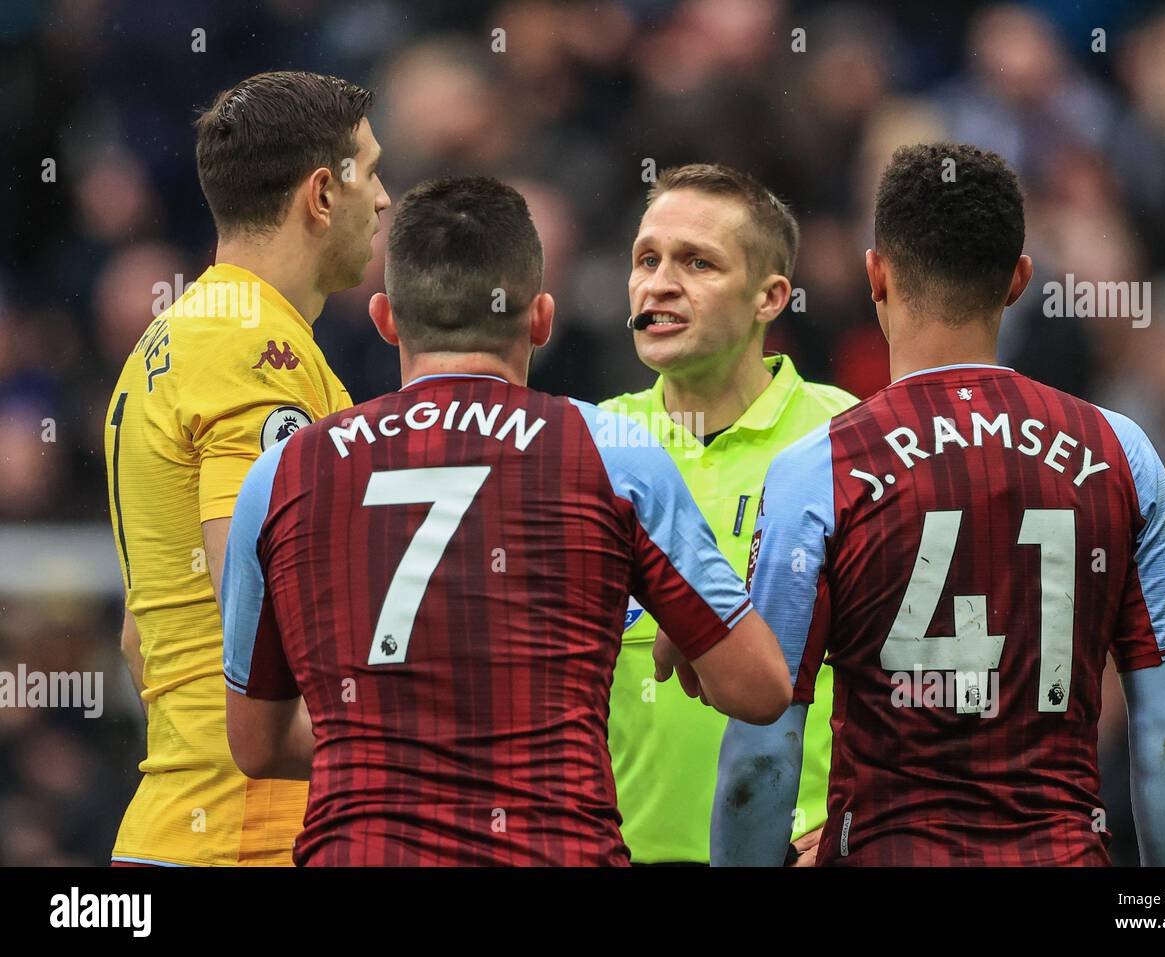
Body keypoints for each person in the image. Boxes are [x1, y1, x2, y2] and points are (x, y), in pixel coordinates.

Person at [220, 177, 791, 866]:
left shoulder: (283, 471)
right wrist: (685, 621)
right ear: (542, 318)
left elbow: (256, 744)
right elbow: (759, 689)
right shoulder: (611, 450)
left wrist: (395, 732)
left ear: (386, 318)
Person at [707, 143, 1165, 866]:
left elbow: (761, 754)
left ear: (875, 273)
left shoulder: (818, 469)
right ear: (1019, 281)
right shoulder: (1119, 452)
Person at [103, 71, 391, 866]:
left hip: (187, 820)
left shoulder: (175, 336)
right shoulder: (252, 348)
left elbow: (140, 637)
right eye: (373, 171)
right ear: (323, 194)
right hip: (250, 836)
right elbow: (255, 581)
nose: (388, 199)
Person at [600, 164, 857, 865]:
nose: (659, 283)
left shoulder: (849, 442)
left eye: (697, 262)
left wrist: (857, 824)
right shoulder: (592, 447)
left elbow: (913, 671)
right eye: (646, 259)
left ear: (770, 295)